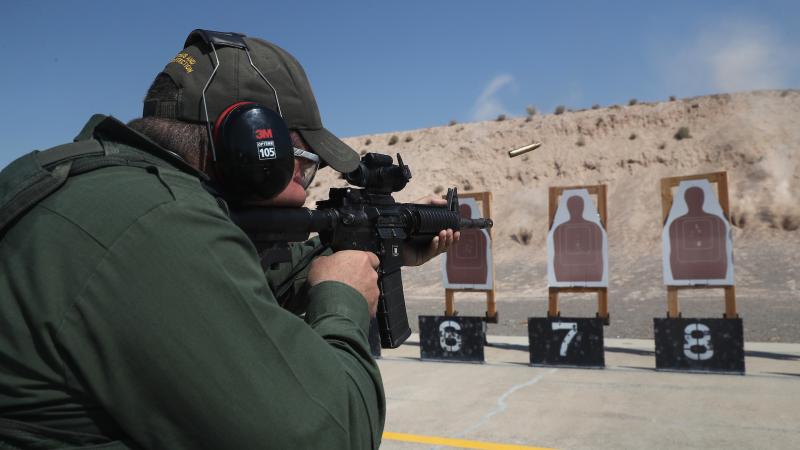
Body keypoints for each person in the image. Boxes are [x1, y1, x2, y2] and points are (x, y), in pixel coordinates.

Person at [0, 29, 454, 449]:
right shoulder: (159, 225)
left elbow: (222, 284)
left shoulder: (98, 190)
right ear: (258, 145)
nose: (307, 186)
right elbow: (330, 435)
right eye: (307, 165)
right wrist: (343, 300)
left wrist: (365, 247)